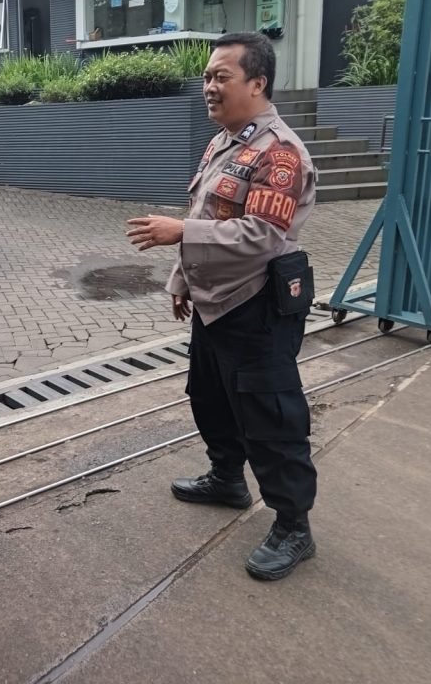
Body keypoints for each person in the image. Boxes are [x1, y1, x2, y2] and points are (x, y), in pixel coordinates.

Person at [126, 31, 318, 581]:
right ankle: (227, 480)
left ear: (257, 83)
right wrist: (180, 280)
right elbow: (206, 210)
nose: (208, 86)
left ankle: (293, 526)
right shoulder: (224, 142)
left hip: (256, 306)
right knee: (209, 396)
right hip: (214, 305)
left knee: (271, 418)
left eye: (221, 77)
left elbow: (260, 234)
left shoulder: (279, 154)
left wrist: (179, 232)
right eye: (207, 77)